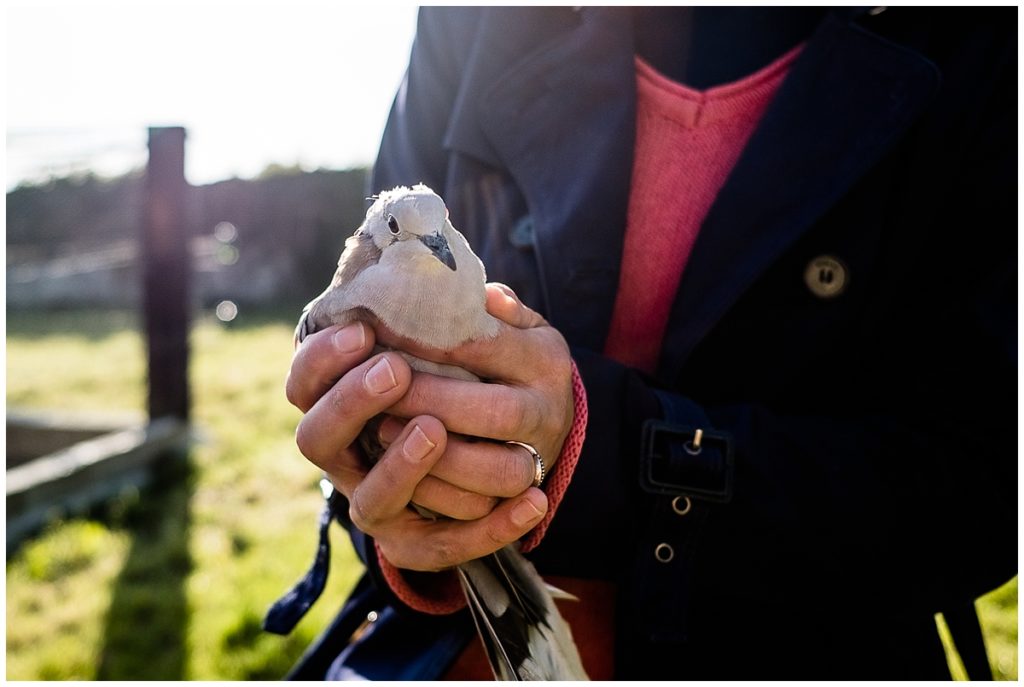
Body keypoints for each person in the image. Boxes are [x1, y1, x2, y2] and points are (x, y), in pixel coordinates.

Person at [279, 6, 1016, 680]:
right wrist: (392, 510)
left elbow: (984, 482)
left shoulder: (979, 46)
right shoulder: (472, 19)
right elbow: (371, 321)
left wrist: (600, 456)